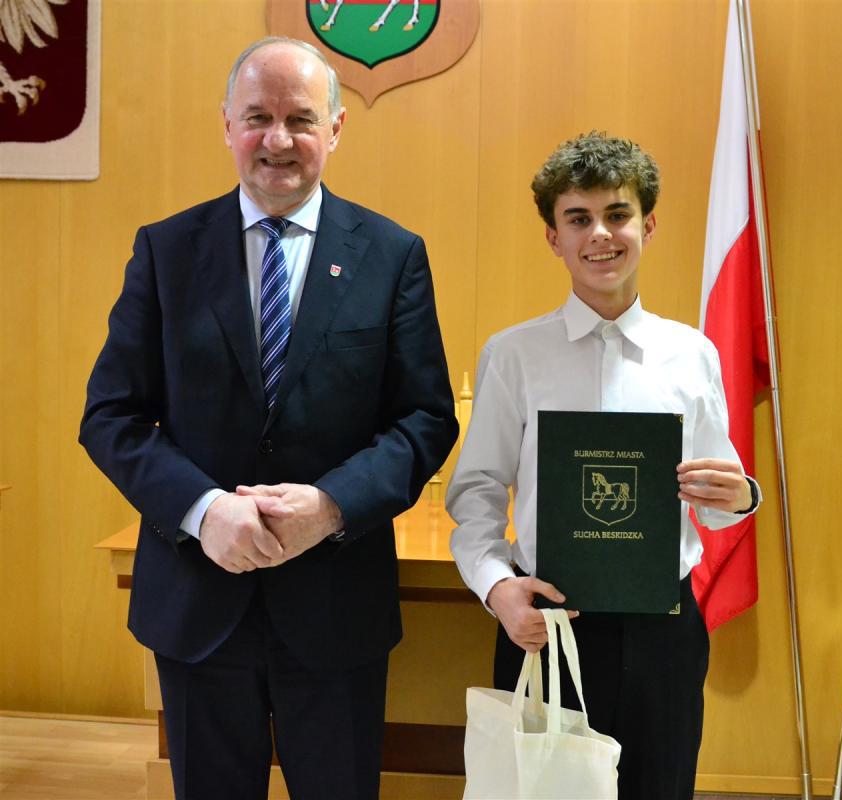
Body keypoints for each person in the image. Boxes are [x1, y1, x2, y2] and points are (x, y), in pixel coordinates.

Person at [79, 36, 458, 800]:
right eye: (258, 117)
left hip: (336, 609)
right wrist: (204, 509)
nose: (277, 140)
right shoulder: (166, 251)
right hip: (198, 605)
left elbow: (423, 419)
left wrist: (332, 506)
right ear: (227, 123)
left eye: (300, 119)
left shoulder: (392, 255)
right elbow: (110, 416)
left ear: (335, 129)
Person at [447, 132, 761, 799]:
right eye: (578, 218)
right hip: (548, 625)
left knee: (660, 787)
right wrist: (497, 589)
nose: (600, 235)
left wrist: (740, 496)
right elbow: (475, 492)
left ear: (648, 225)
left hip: (663, 629)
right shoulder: (514, 355)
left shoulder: (691, 354)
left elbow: (716, 499)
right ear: (553, 237)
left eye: (618, 214)